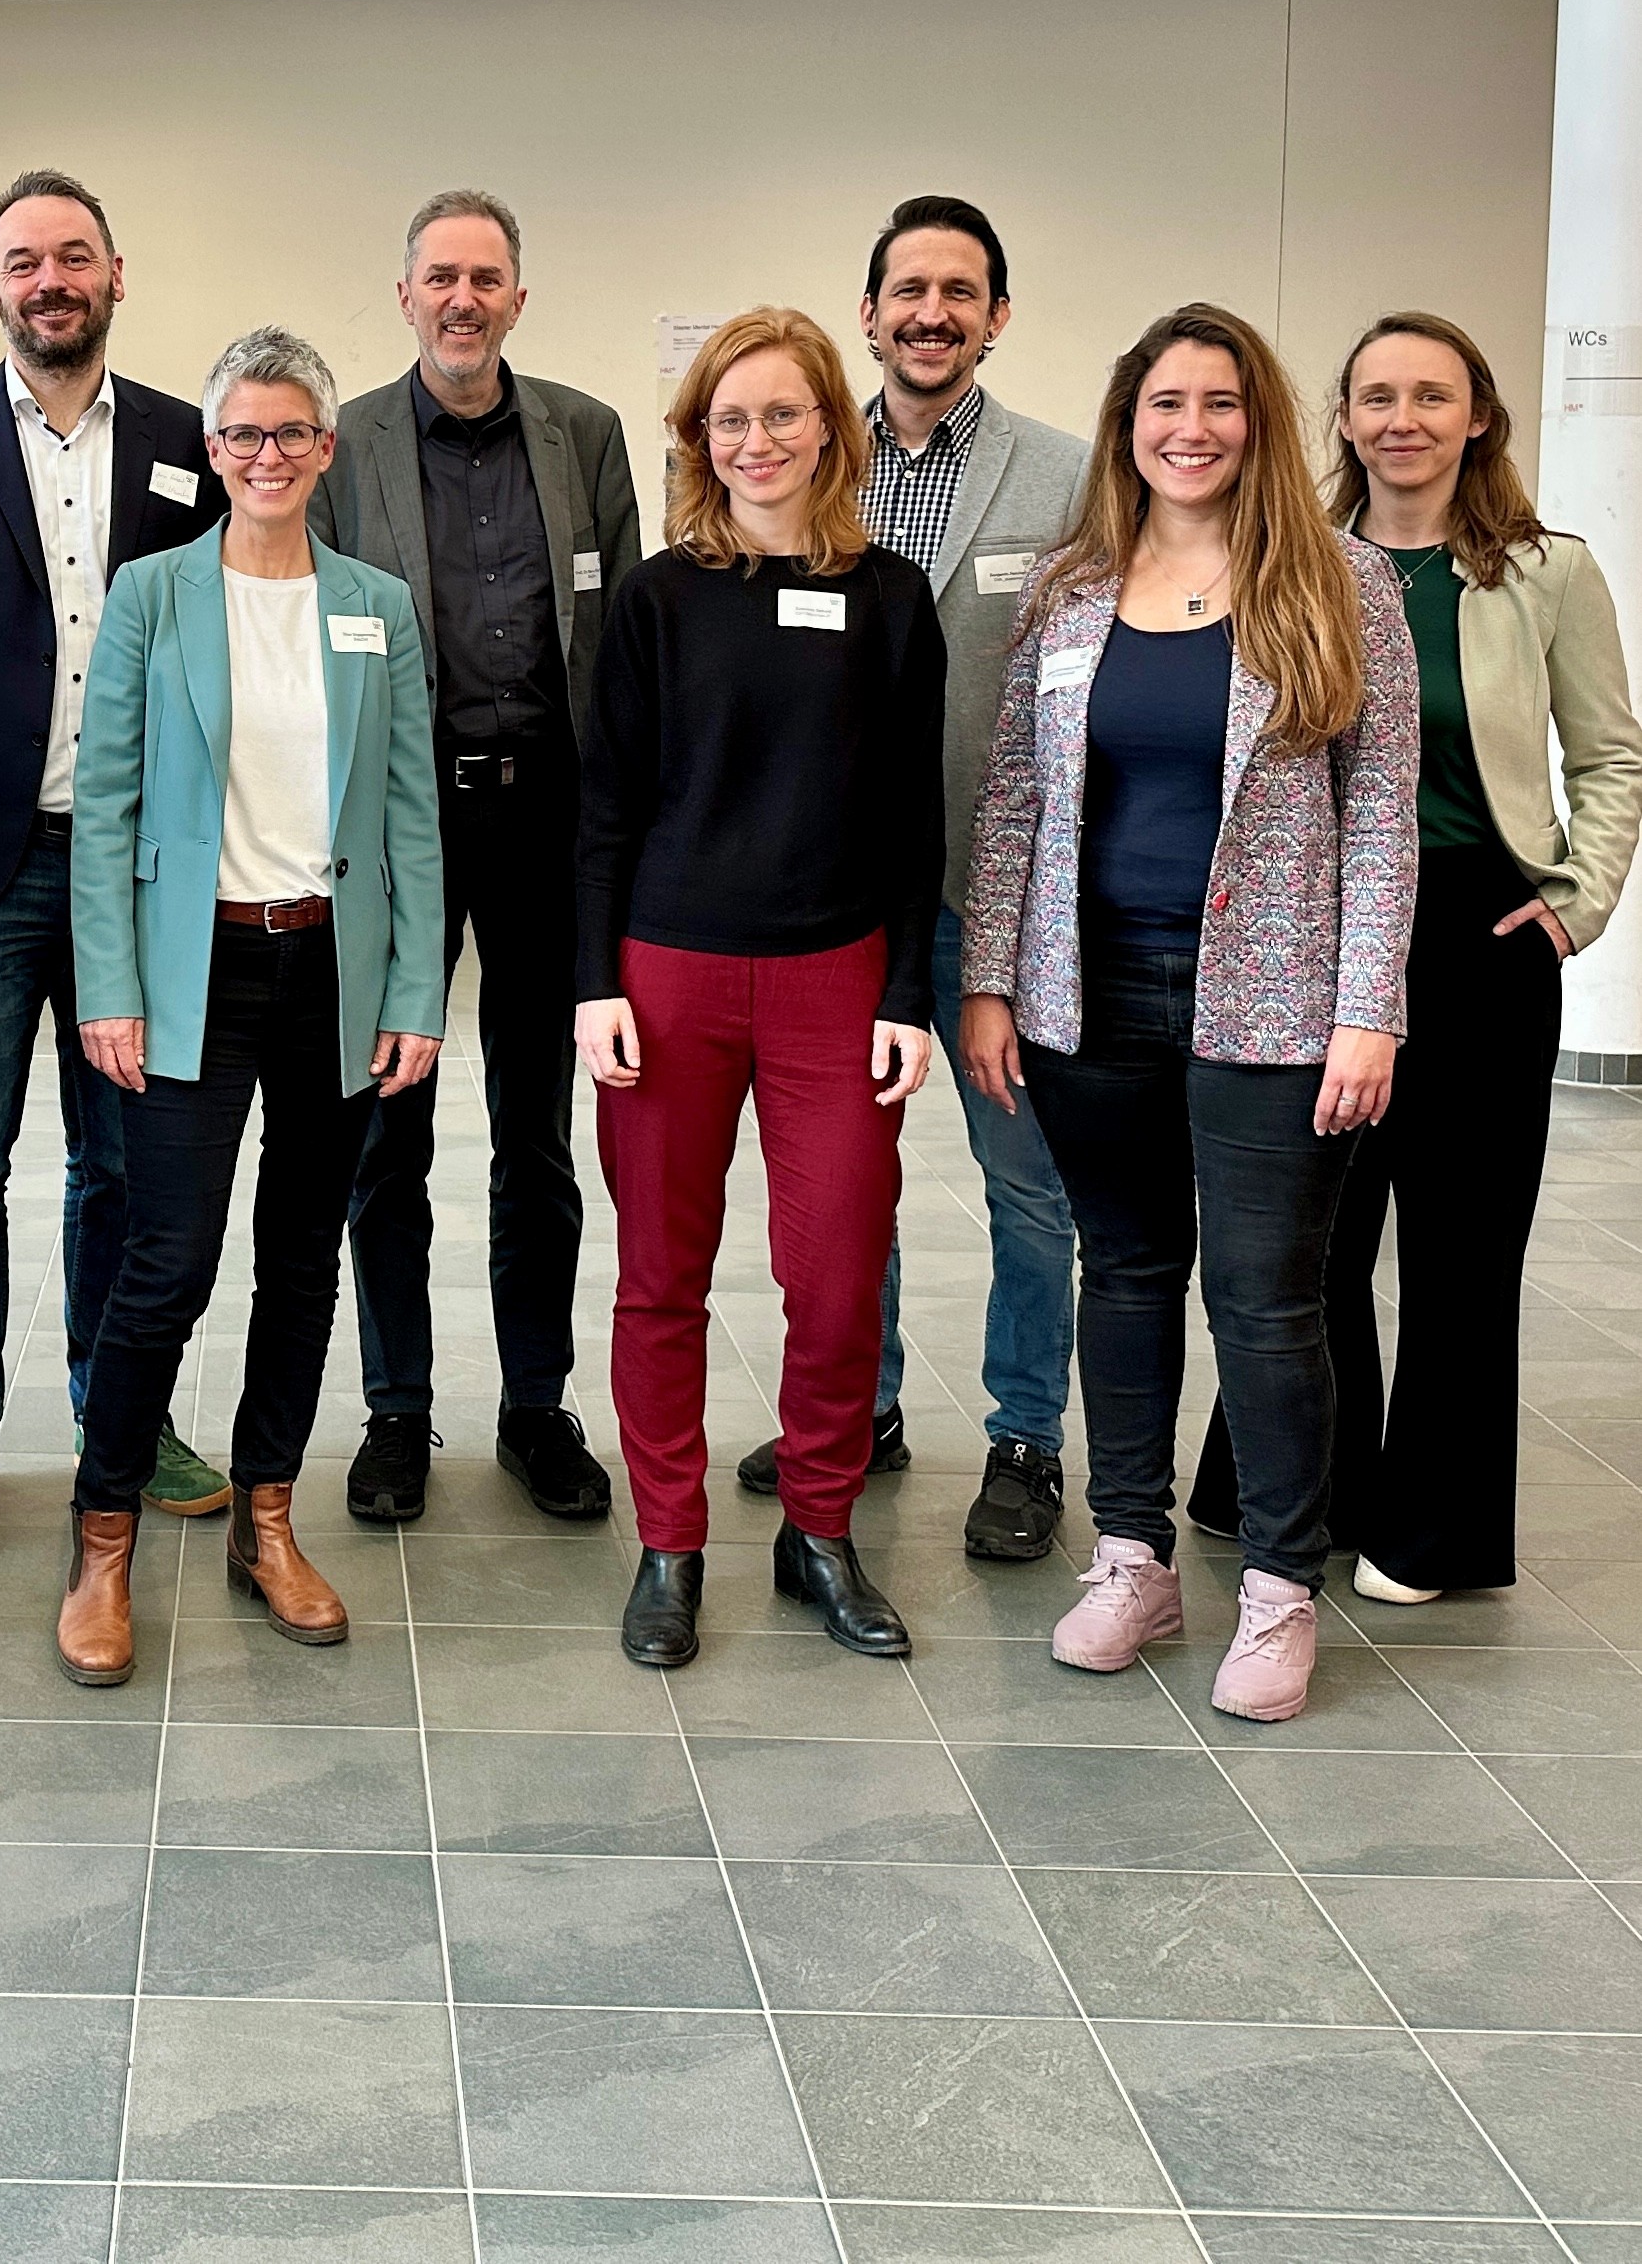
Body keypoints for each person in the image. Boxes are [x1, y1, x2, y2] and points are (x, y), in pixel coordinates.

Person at [962, 302, 1417, 1724]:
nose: (1190, 429)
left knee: (1268, 1302)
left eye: (1218, 403)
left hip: (1275, 1009)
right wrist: (989, 977)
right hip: (1087, 994)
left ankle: (1279, 1591)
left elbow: (1384, 811)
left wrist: (1368, 1009)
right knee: (1127, 1271)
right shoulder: (1070, 585)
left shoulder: (1338, 581)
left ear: (1258, 420)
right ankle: (1129, 1558)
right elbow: (1015, 798)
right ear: (1126, 424)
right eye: (1164, 403)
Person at [1182, 313, 1641, 1598]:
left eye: (1432, 395)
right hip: (1325, 939)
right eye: (1376, 394)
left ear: (1478, 416)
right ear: (1340, 418)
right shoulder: (1293, 566)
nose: (1403, 417)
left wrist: (1577, 900)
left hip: (1486, 942)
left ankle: (1429, 1526)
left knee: (1460, 1245)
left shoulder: (1548, 571)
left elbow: (1611, 755)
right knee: (1311, 1237)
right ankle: (1295, 1487)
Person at [57, 327, 445, 1686]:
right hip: (190, 973)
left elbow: (407, 814)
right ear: (209, 450)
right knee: (163, 1260)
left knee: (302, 1256)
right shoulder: (153, 596)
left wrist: (416, 995)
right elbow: (101, 806)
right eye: (241, 435)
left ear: (324, 449)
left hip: (330, 970)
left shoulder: (376, 607)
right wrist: (105, 981)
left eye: (290, 434)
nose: (266, 456)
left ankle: (266, 1519)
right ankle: (101, 1540)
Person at [577, 307, 942, 1670]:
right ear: (698, 439)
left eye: (781, 413)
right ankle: (669, 1543)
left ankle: (818, 1530)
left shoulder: (889, 601)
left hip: (833, 979)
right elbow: (602, 810)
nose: (755, 440)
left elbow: (916, 821)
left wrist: (905, 990)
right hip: (663, 977)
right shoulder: (655, 601)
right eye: (729, 418)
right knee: (661, 1279)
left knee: (837, 1278)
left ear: (828, 430)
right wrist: (587, 985)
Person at [0, 169, 231, 1551]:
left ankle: (113, 1410)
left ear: (115, 273)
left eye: (72, 256)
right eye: (22, 261)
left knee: (119, 1167)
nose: (49, 280)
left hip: (130, 869)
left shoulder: (185, 439)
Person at [733, 197, 1090, 1562]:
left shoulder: (1061, 479)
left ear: (995, 315)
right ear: (867, 310)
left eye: (958, 291)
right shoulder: (808, 461)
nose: (929, 312)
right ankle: (856, 1410)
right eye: (906, 290)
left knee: (1024, 1183)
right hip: (835, 896)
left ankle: (1020, 1439)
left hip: (996, 901)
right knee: (845, 1184)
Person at [315, 189, 635, 1528]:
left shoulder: (586, 434)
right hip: (402, 828)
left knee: (535, 1137)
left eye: (484, 277)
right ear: (403, 297)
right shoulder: (344, 448)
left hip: (546, 827)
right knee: (387, 1132)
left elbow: (618, 655)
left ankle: (533, 1406)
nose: (461, 297)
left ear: (517, 295)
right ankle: (397, 1410)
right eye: (438, 276)